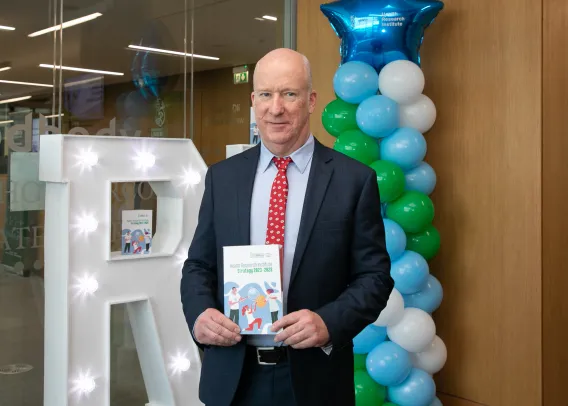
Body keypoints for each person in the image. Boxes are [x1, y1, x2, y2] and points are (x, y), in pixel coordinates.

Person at [180, 48, 393, 406]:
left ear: (310, 101)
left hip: (314, 382)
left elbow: (375, 277)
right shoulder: (222, 177)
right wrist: (200, 314)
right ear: (253, 101)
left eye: (289, 94)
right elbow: (198, 266)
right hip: (233, 379)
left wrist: (328, 323)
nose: (275, 108)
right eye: (265, 94)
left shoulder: (353, 181)